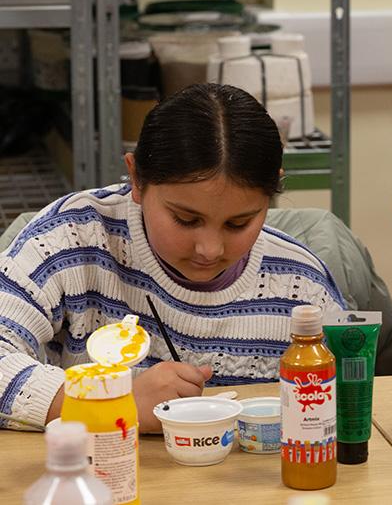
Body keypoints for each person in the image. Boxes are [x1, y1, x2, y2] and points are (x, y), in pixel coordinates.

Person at [0, 83, 347, 433]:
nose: (209, 249)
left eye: (238, 223)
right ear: (136, 178)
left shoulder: (302, 287)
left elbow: (355, 399)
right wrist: (112, 402)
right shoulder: (72, 238)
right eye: (186, 219)